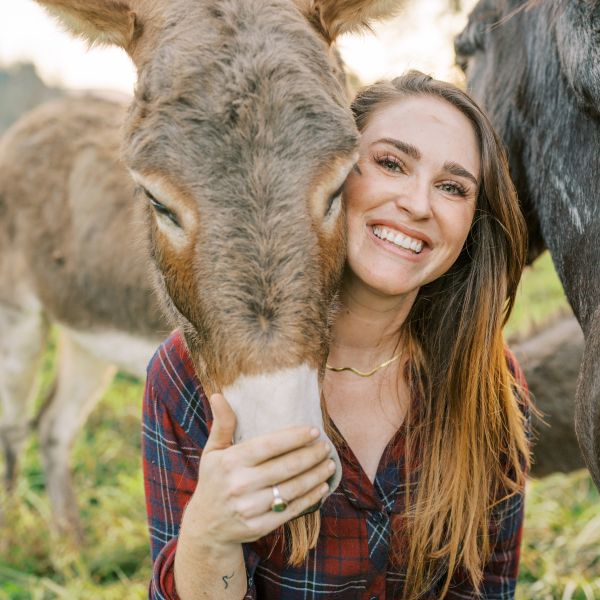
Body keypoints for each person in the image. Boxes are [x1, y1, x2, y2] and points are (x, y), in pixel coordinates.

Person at [143, 71, 531, 600]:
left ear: (472, 224)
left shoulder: (488, 382)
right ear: (330, 172)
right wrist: (210, 535)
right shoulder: (192, 374)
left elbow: (487, 589)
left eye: (452, 187)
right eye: (391, 164)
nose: (418, 204)